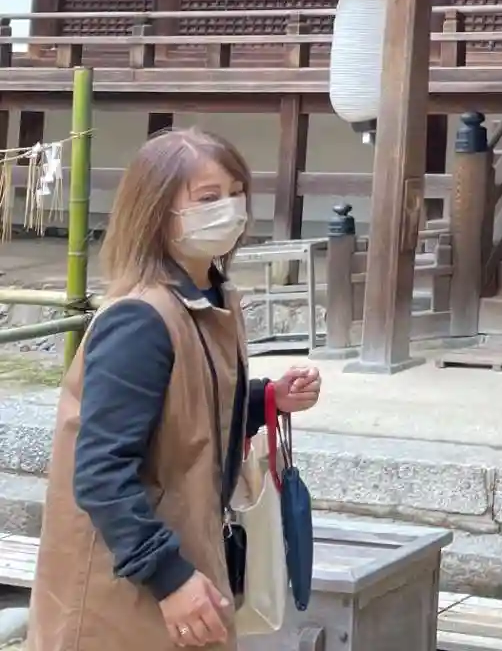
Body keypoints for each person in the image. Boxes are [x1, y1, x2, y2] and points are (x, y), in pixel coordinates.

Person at [28, 128, 323, 650]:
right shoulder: (140, 320)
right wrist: (169, 577)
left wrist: (265, 399)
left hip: (184, 552)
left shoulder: (211, 298)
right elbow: (101, 472)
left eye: (236, 193)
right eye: (208, 198)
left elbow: (189, 410)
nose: (229, 209)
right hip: (125, 581)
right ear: (157, 212)